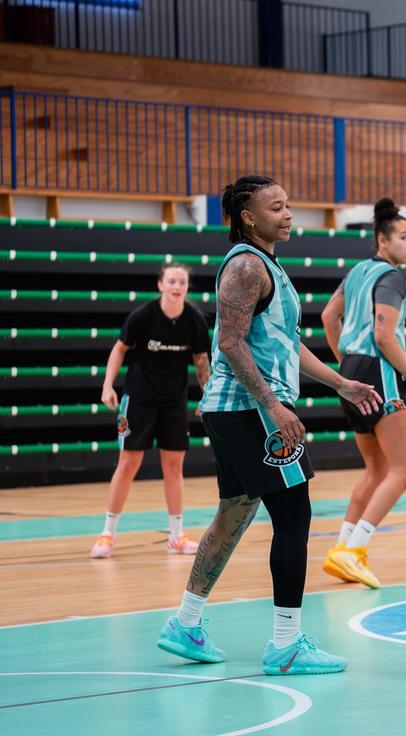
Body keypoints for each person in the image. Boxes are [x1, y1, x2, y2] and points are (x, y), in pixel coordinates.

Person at [155, 175, 381, 676]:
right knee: (294, 516)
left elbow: (281, 344)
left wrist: (340, 382)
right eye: (275, 207)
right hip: (250, 409)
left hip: (237, 408)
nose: (288, 213)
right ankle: (287, 643)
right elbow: (231, 344)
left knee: (235, 512)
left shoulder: (267, 266)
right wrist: (274, 407)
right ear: (248, 217)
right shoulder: (245, 265)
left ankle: (185, 623)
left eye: (288, 204)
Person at [318, 198, 406, 588]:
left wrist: (346, 364)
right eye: (404, 237)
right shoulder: (392, 278)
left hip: (352, 371)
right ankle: (353, 551)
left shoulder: (357, 272)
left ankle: (342, 550)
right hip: (380, 371)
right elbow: (384, 336)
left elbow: (327, 317)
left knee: (377, 470)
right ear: (382, 240)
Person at [92, 263, 210, 558]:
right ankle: (107, 534)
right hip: (139, 399)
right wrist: (108, 386)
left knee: (174, 466)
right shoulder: (143, 316)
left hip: (173, 402)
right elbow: (119, 349)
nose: (176, 286)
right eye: (171, 281)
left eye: (181, 282)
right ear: (160, 284)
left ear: (187, 287)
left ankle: (177, 536)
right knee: (128, 463)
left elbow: (200, 359)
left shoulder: (194, 320)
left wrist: (207, 394)